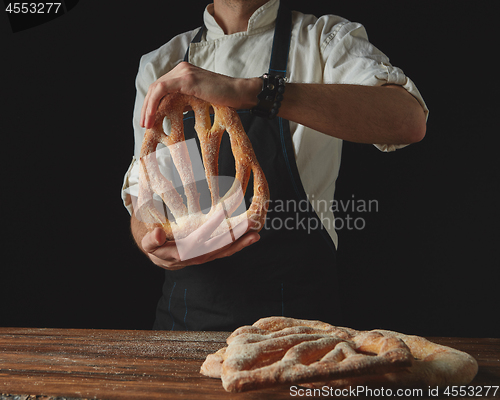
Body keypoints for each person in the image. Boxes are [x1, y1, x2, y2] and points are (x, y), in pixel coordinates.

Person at [121, 0, 428, 331]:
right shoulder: (161, 65)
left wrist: (253, 92)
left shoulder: (325, 41)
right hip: (181, 325)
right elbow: (147, 193)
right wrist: (150, 241)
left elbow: (407, 120)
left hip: (300, 330)